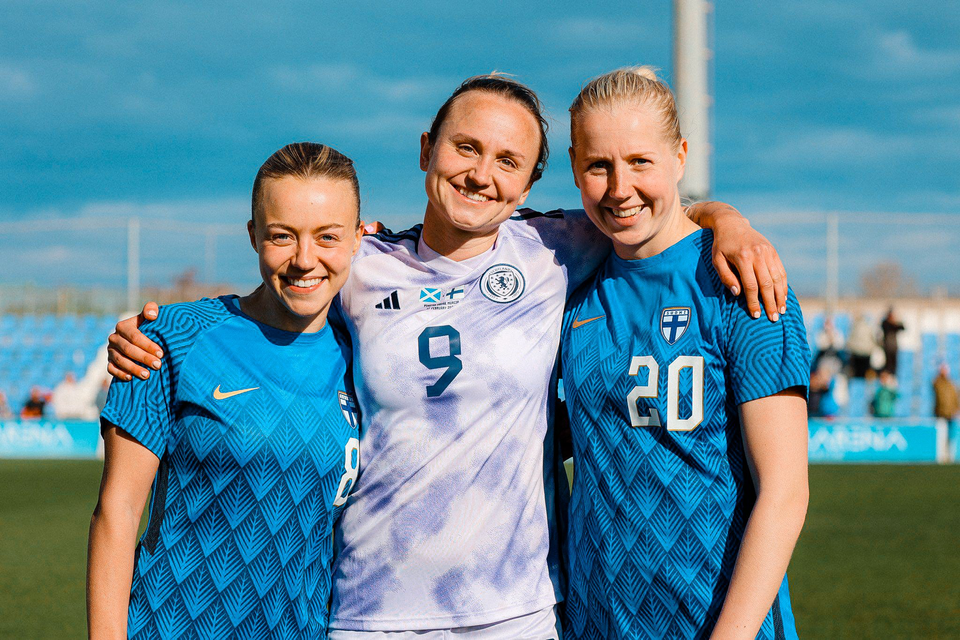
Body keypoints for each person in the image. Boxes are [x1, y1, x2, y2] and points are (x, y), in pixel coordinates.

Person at [106, 74, 791, 637]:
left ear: (528, 186)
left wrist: (730, 222)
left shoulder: (558, 250)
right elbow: (284, 279)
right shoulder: (360, 262)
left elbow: (652, 213)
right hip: (368, 611)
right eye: (466, 148)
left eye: (507, 162)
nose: (481, 174)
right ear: (429, 147)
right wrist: (159, 331)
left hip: (515, 613)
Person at [560, 67, 809, 639]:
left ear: (680, 155)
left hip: (716, 624)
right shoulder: (573, 285)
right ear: (576, 165)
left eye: (641, 162)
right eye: (599, 166)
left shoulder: (743, 280)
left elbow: (785, 491)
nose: (619, 188)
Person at [87, 143, 364, 639]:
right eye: (283, 236)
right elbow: (118, 511)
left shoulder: (366, 354)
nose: (306, 260)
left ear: (358, 239)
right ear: (254, 235)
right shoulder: (170, 338)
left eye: (328, 237)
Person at [881, 308, 905, 376]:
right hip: (887, 347)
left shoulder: (895, 324)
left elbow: (902, 327)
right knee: (888, 364)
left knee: (894, 365)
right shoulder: (885, 323)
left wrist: (896, 321)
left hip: (894, 347)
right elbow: (886, 326)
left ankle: (893, 376)